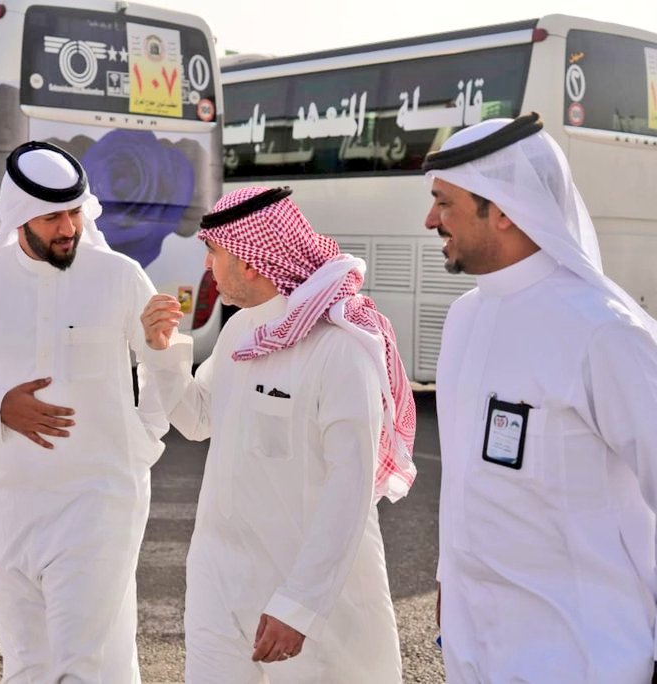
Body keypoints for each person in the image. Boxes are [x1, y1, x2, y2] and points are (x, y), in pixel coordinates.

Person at [139, 186, 417, 683]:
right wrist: (162, 354)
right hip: (219, 583)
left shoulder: (339, 349)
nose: (207, 265)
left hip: (305, 597)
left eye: (214, 251)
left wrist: (300, 604)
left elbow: (350, 487)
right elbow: (199, 420)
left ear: (249, 261)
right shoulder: (240, 331)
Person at [0, 141, 167, 682]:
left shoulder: (119, 275)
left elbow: (159, 359)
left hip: (97, 502)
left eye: (75, 213)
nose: (68, 228)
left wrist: (145, 437)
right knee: (29, 664)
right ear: (19, 216)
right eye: (53, 216)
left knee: (79, 664)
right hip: (6, 506)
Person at [423, 113, 657, 683]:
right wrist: (448, 579)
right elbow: (464, 480)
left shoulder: (604, 331)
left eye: (444, 203)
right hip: (473, 646)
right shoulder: (463, 318)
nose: (430, 220)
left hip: (583, 655)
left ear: (504, 209)